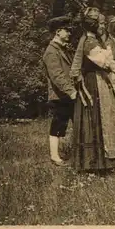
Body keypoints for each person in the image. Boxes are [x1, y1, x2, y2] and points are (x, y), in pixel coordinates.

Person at [70, 7, 115, 176]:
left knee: (108, 119)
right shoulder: (89, 43)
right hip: (94, 85)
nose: (103, 26)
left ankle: (104, 164)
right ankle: (99, 165)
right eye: (100, 23)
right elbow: (110, 65)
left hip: (101, 81)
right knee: (101, 121)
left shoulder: (96, 40)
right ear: (92, 25)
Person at [42, 16, 76, 166]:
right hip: (60, 95)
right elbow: (57, 76)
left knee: (78, 123)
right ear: (58, 32)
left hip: (69, 94)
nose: (70, 33)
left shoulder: (63, 49)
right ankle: (55, 157)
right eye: (67, 31)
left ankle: (78, 153)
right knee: (58, 124)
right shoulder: (51, 52)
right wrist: (72, 91)